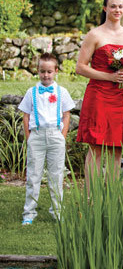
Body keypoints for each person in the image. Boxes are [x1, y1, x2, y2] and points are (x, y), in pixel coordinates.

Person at [76, 0, 123, 192]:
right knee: (96, 147)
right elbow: (80, 67)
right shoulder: (95, 34)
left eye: (120, 6)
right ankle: (91, 198)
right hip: (99, 95)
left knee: (116, 148)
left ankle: (112, 198)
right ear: (105, 8)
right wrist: (109, 77)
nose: (117, 10)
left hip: (121, 97)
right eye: (113, 6)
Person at [18, 53, 75, 225]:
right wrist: (30, 138)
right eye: (42, 71)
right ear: (37, 71)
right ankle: (29, 212)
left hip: (55, 135)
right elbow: (26, 116)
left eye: (49, 71)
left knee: (56, 175)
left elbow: (66, 115)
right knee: (33, 175)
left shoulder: (61, 92)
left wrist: (62, 136)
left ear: (56, 71)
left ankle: (57, 211)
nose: (46, 75)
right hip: (36, 135)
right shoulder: (31, 92)